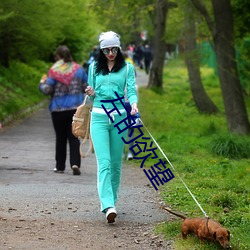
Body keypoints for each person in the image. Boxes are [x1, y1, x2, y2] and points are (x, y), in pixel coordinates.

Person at [85, 31, 138, 223]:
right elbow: (91, 96)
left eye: (114, 49)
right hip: (98, 117)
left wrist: (133, 104)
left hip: (119, 118)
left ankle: (112, 201)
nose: (110, 53)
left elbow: (131, 90)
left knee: (116, 164)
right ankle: (107, 205)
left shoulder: (127, 68)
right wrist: (90, 92)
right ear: (101, 50)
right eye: (106, 50)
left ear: (119, 48)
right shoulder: (93, 68)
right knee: (104, 163)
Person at [39, 45, 88, 175]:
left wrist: (42, 83)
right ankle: (75, 163)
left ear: (58, 57)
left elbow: (47, 90)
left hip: (58, 109)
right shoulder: (79, 70)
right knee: (74, 137)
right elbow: (86, 87)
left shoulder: (54, 71)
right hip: (75, 109)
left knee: (60, 138)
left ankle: (60, 166)